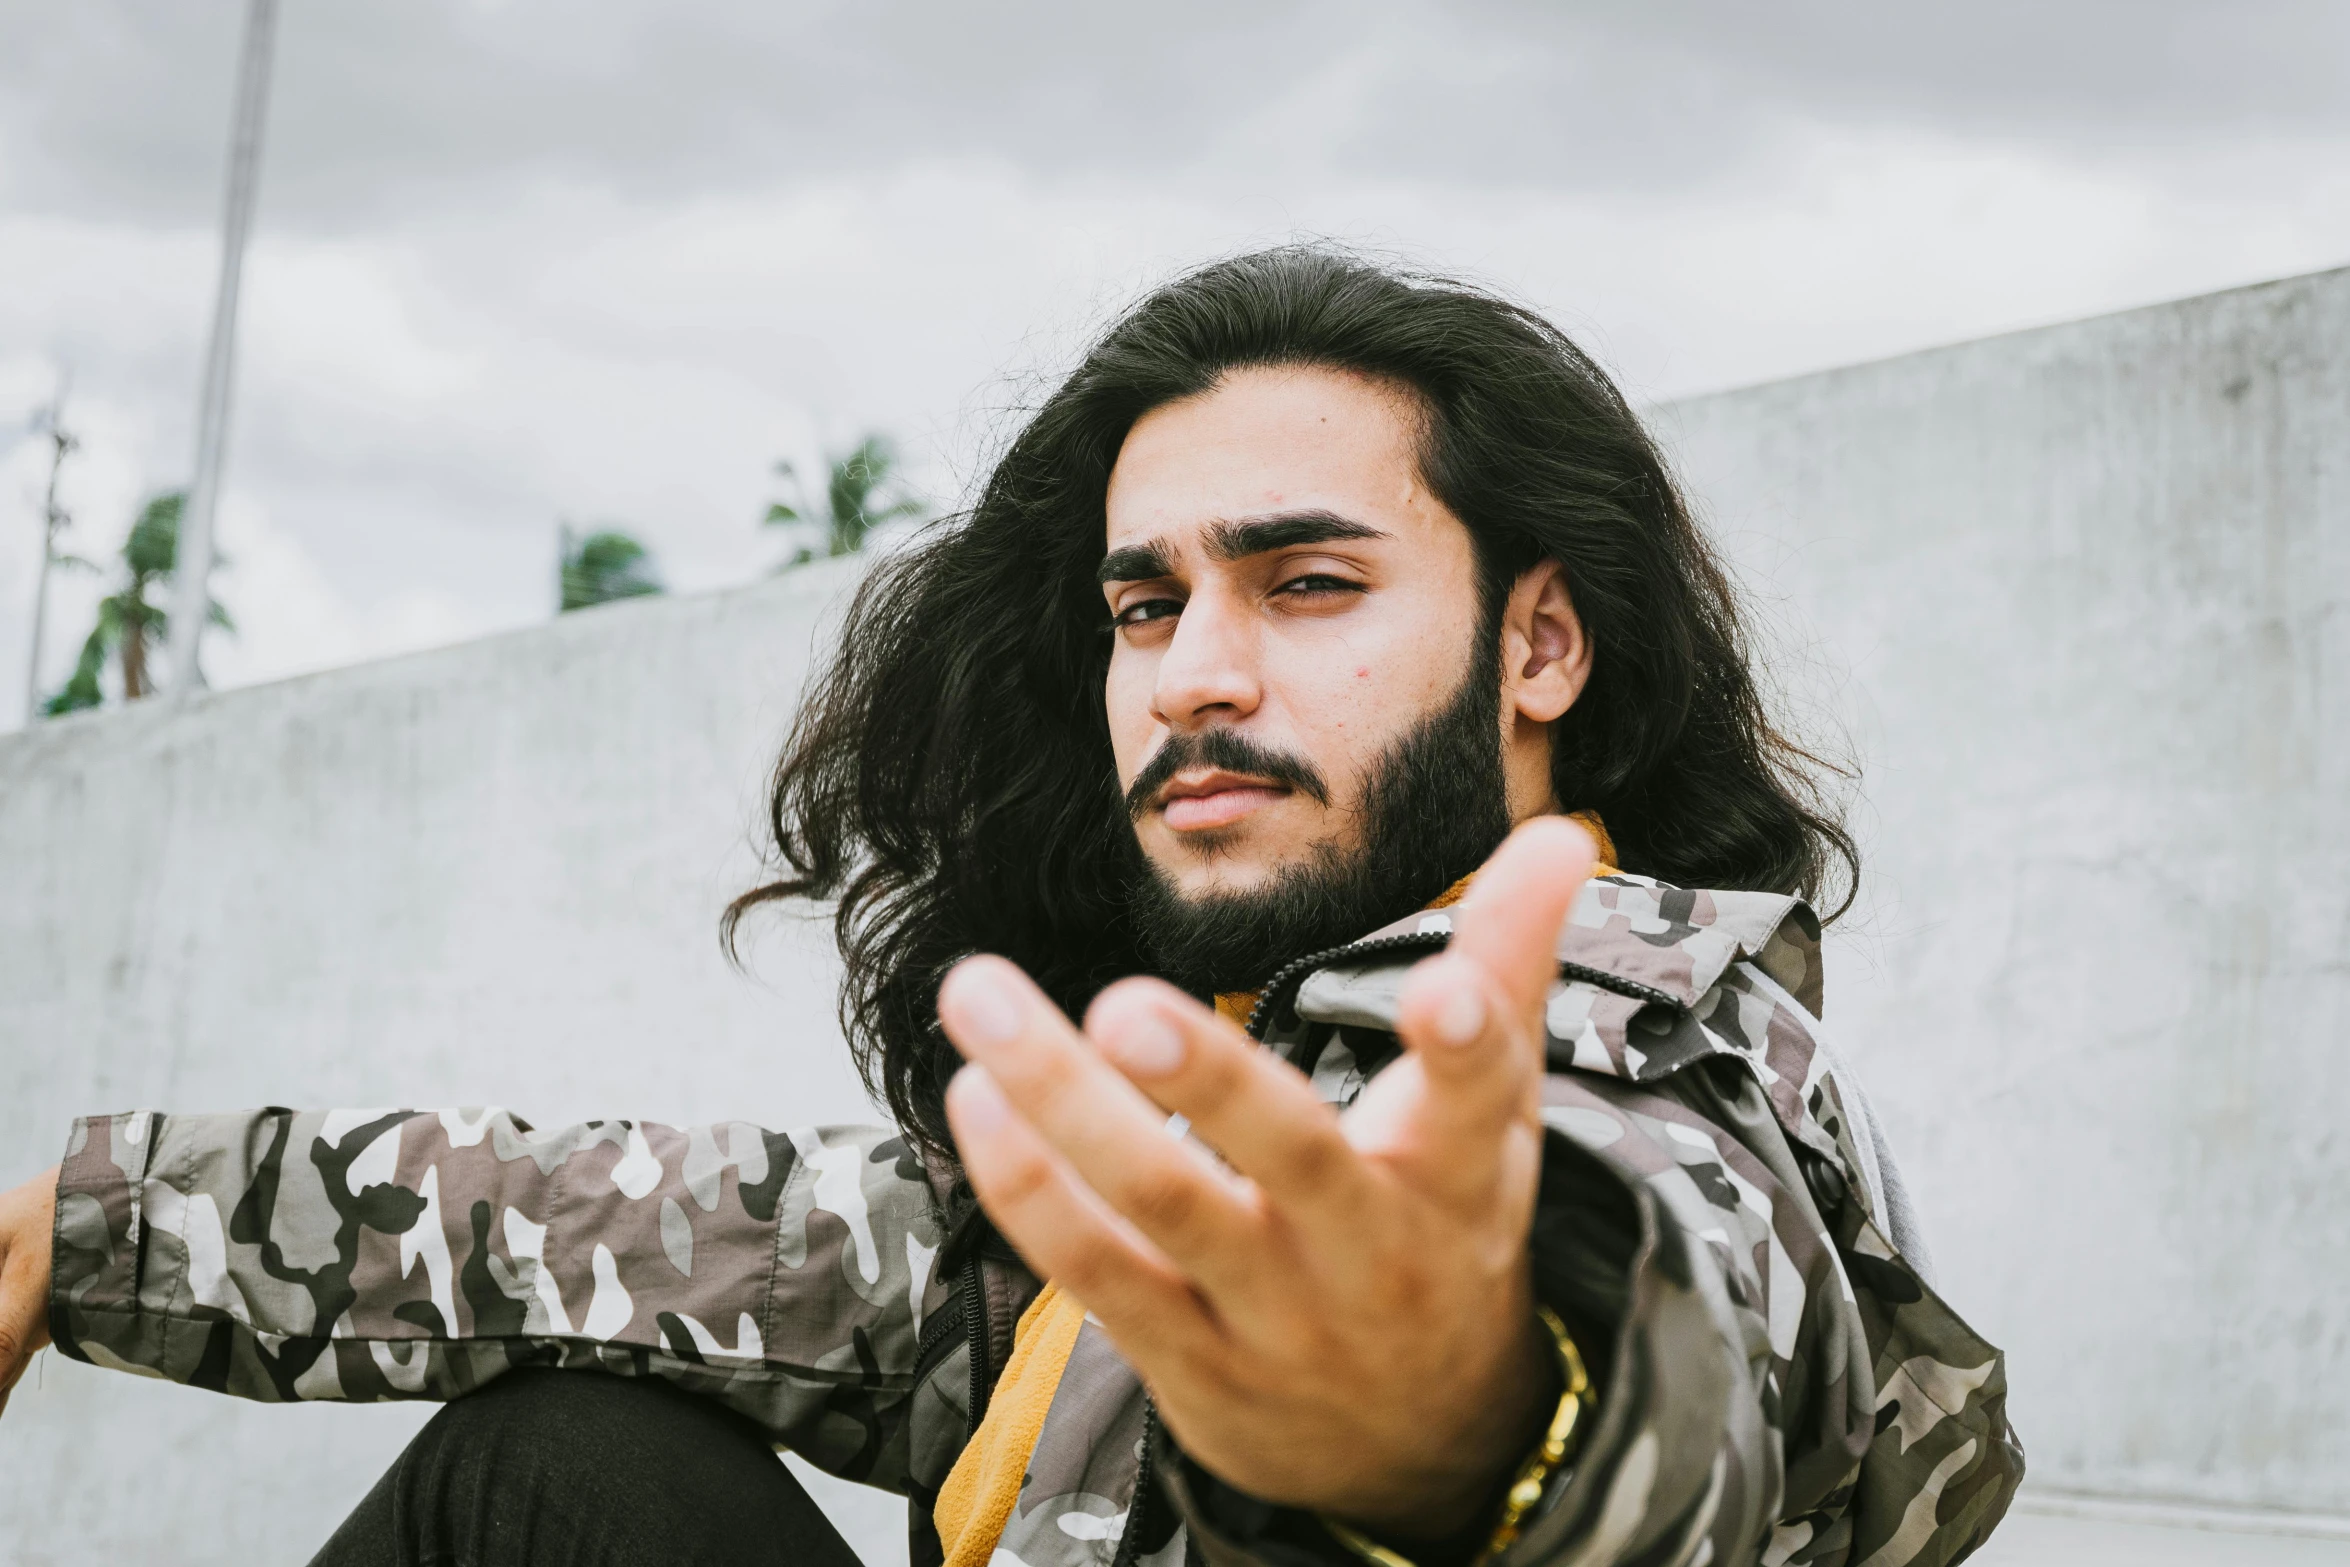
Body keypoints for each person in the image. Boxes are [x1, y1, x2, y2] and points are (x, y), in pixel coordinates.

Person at [0, 247, 2020, 1567]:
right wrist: (68, 1222)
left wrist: (1452, 1413)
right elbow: (627, 1234)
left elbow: (1659, 1293)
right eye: (1144, 605)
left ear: (1539, 648)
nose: (1190, 670)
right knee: (565, 1471)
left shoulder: (1629, 1024)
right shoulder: (1170, 1128)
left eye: (1303, 584)